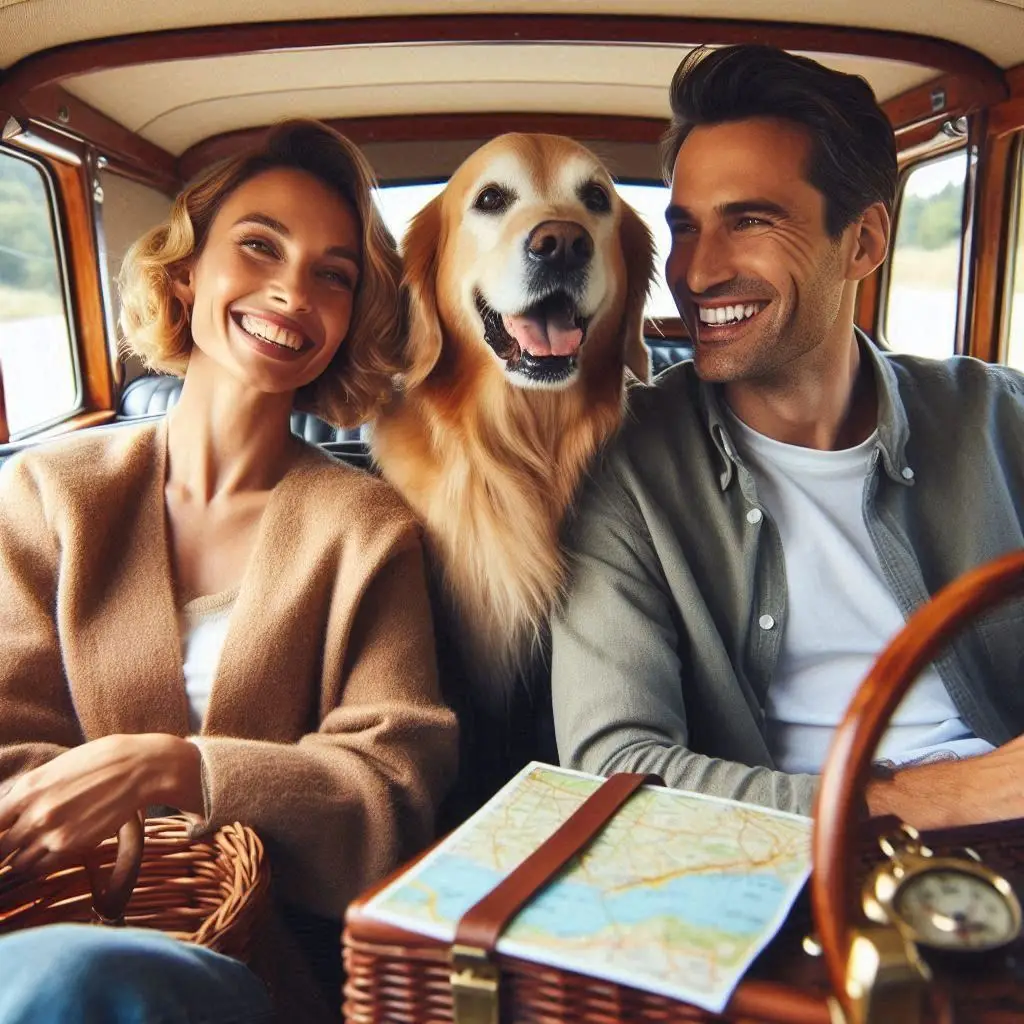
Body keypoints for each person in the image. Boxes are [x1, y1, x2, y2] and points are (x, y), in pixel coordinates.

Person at [0, 119, 458, 1023]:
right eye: (259, 246)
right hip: (36, 936)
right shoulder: (51, 491)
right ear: (185, 274)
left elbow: (395, 793)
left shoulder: (366, 528)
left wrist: (180, 769)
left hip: (259, 967)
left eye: (334, 274)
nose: (293, 292)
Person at [551, 45, 1024, 830]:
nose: (697, 273)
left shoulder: (998, 417)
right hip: (785, 864)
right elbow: (615, 772)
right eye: (686, 227)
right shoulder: (622, 466)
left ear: (866, 243)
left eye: (750, 221)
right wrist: (941, 797)